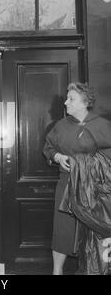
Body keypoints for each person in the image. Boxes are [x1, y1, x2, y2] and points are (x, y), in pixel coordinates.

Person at [43, 82, 111, 275]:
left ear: (85, 102)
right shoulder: (61, 126)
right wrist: (58, 157)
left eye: (71, 99)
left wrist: (81, 163)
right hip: (66, 185)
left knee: (91, 232)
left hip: (94, 190)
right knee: (62, 230)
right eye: (67, 98)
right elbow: (48, 148)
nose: (66, 102)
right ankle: (57, 271)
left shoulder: (102, 125)